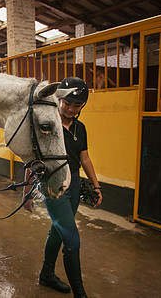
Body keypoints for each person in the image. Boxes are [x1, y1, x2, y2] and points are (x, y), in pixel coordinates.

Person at [23, 77, 103, 298]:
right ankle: (80, 293)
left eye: (77, 105)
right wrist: (27, 192)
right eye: (67, 103)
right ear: (59, 100)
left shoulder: (80, 128)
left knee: (57, 232)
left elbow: (85, 158)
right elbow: (33, 158)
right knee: (72, 239)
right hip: (53, 185)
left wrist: (96, 186)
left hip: (75, 184)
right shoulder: (47, 125)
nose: (71, 109)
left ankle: (46, 274)